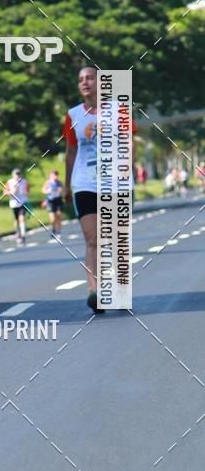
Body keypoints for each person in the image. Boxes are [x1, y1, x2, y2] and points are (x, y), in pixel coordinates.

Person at [63, 65, 136, 315]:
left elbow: (128, 141)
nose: (85, 83)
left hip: (116, 182)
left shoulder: (119, 110)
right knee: (93, 239)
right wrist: (65, 183)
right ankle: (94, 291)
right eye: (81, 79)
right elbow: (71, 151)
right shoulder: (73, 115)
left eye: (90, 78)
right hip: (85, 182)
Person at [2, 169, 30, 246]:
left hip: (23, 202)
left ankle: (23, 235)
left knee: (22, 218)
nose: (17, 176)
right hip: (14, 204)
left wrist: (23, 191)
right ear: (13, 175)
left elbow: (28, 191)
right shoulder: (9, 182)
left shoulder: (24, 182)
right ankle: (18, 234)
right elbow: (4, 192)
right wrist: (11, 192)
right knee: (17, 220)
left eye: (19, 174)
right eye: (16, 174)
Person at [42, 170, 64, 239]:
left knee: (59, 215)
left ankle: (59, 232)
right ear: (51, 175)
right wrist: (48, 191)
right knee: (52, 218)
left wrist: (61, 190)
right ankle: (53, 229)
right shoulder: (48, 183)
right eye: (54, 175)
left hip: (58, 200)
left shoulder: (59, 183)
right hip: (50, 201)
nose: (55, 176)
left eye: (56, 175)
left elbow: (63, 190)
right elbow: (43, 190)